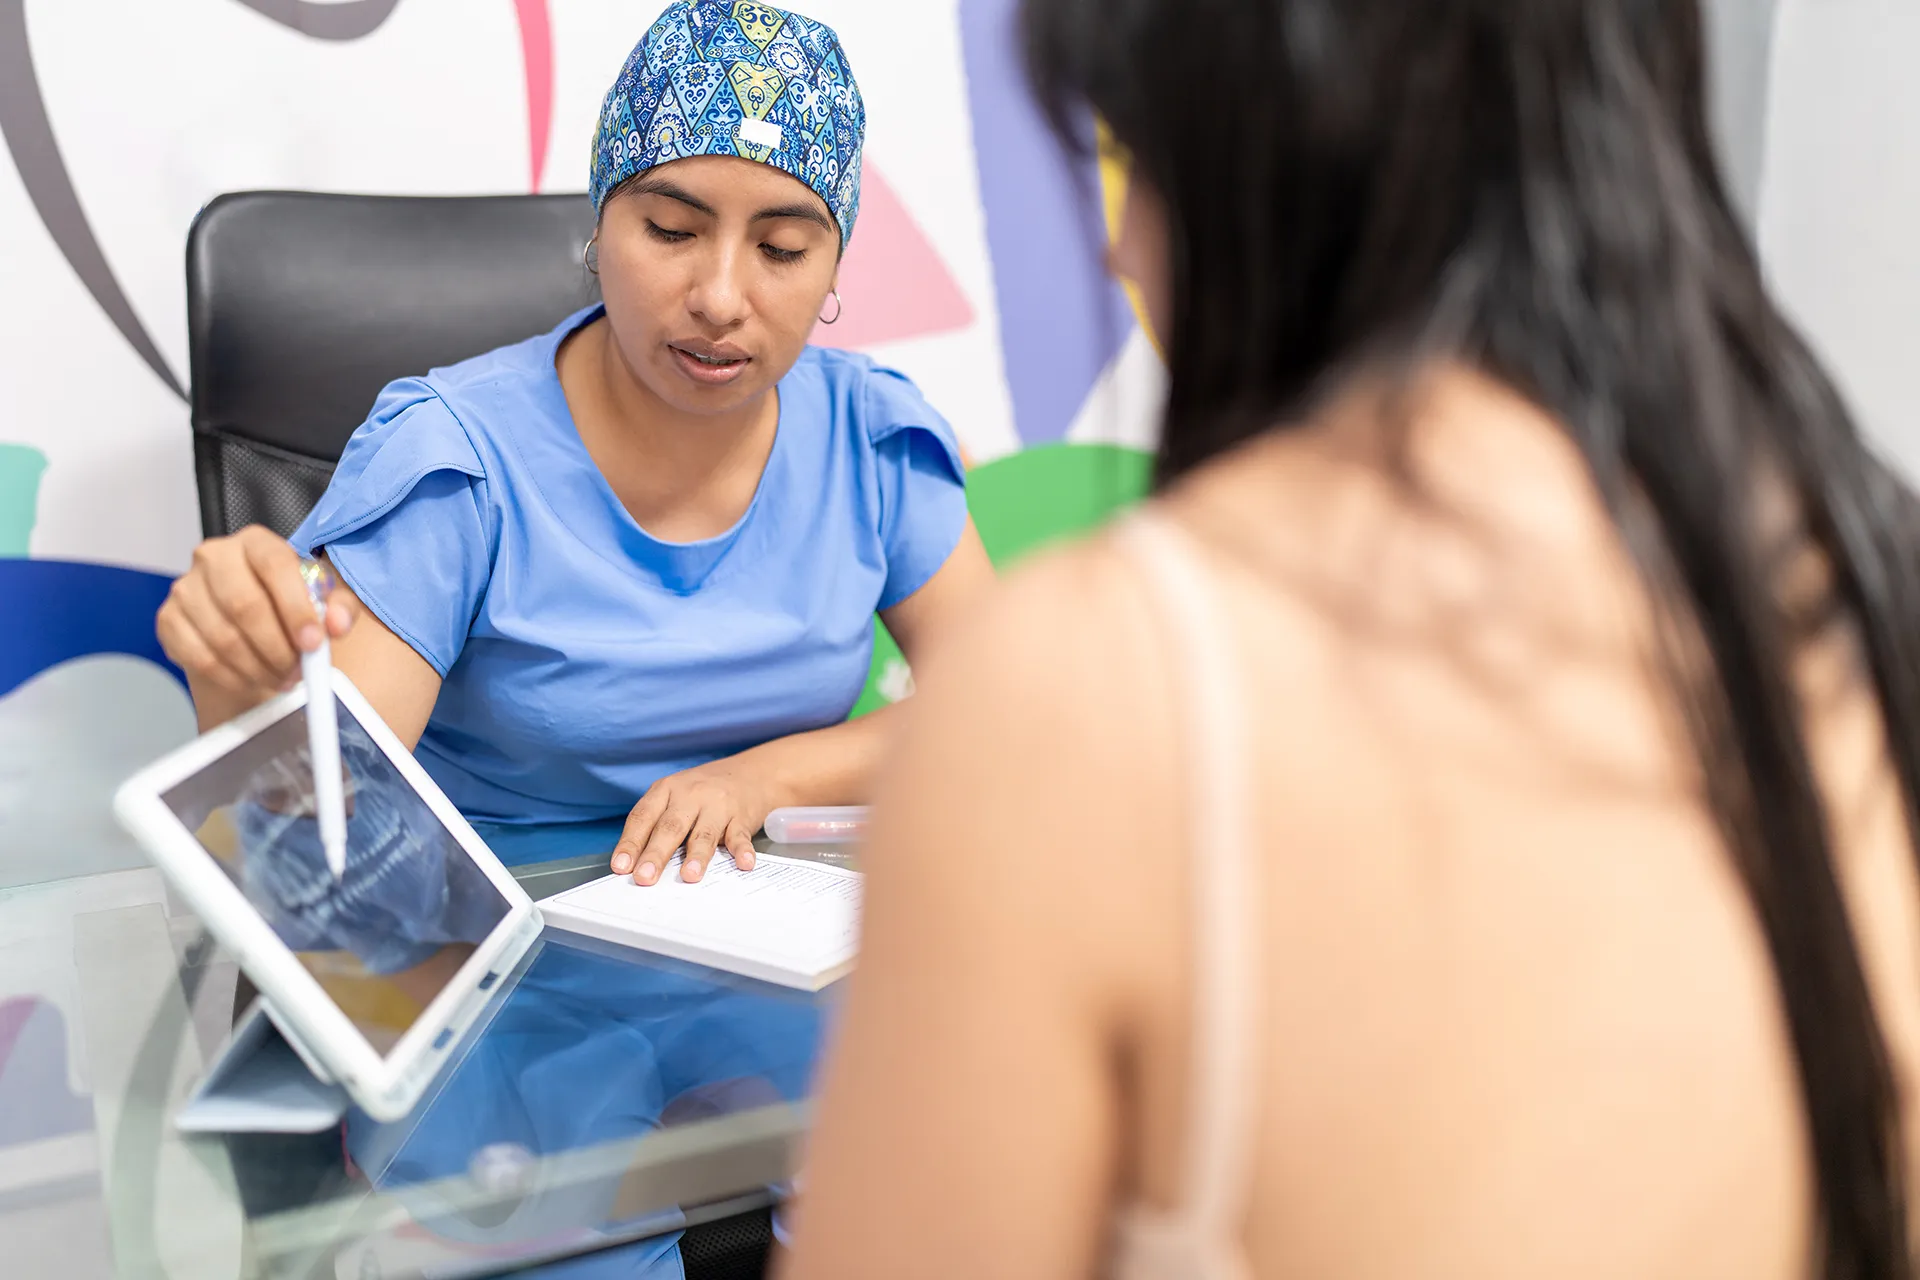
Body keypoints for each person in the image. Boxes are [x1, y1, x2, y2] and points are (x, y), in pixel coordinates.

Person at [781, 2, 1920, 1278]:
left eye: (1139, 155)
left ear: (1261, 142)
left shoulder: (1096, 684)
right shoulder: (1857, 584)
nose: (1116, 246)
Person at [155, 0, 992, 890]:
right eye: (671, 231)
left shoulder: (873, 439)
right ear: (601, 229)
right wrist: (242, 685)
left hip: (778, 940)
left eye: (782, 249)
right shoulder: (455, 462)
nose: (719, 296)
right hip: (502, 951)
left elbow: (995, 705)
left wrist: (761, 778)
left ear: (833, 263)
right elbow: (306, 826)